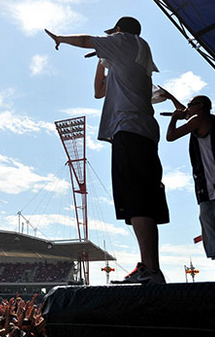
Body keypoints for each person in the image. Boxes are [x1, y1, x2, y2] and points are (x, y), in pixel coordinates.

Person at [46, 16, 169, 284]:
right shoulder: (133, 58)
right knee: (142, 203)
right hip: (141, 131)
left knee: (138, 202)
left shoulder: (126, 41)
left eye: (112, 34)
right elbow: (98, 92)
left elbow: (86, 40)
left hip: (130, 129)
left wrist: (61, 39)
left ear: (120, 31)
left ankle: (150, 269)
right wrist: (103, 63)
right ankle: (151, 267)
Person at [162, 90, 215, 281]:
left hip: (213, 187)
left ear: (200, 106)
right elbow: (185, 111)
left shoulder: (199, 119)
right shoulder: (212, 121)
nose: (187, 109)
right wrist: (171, 97)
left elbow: (171, 136)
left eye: (191, 105)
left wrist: (173, 118)